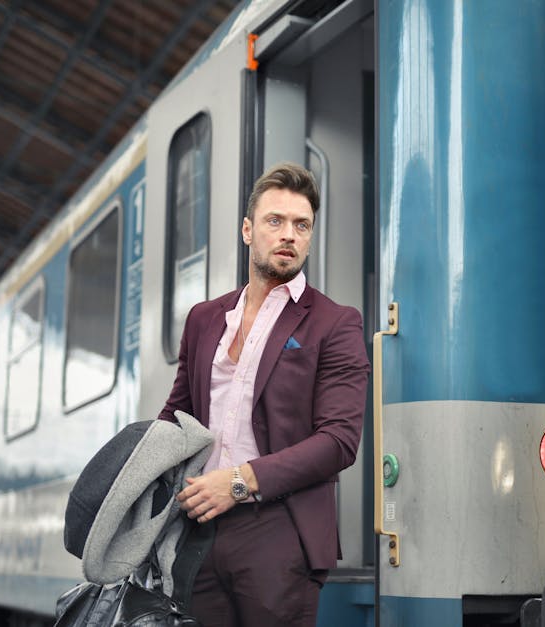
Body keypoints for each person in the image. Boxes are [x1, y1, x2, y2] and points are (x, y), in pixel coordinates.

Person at [157, 162, 371, 626]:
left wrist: (239, 483)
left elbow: (339, 441)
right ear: (248, 230)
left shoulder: (335, 323)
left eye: (302, 225)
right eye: (275, 221)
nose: (289, 235)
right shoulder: (203, 319)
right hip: (199, 531)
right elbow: (174, 419)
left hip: (279, 530)